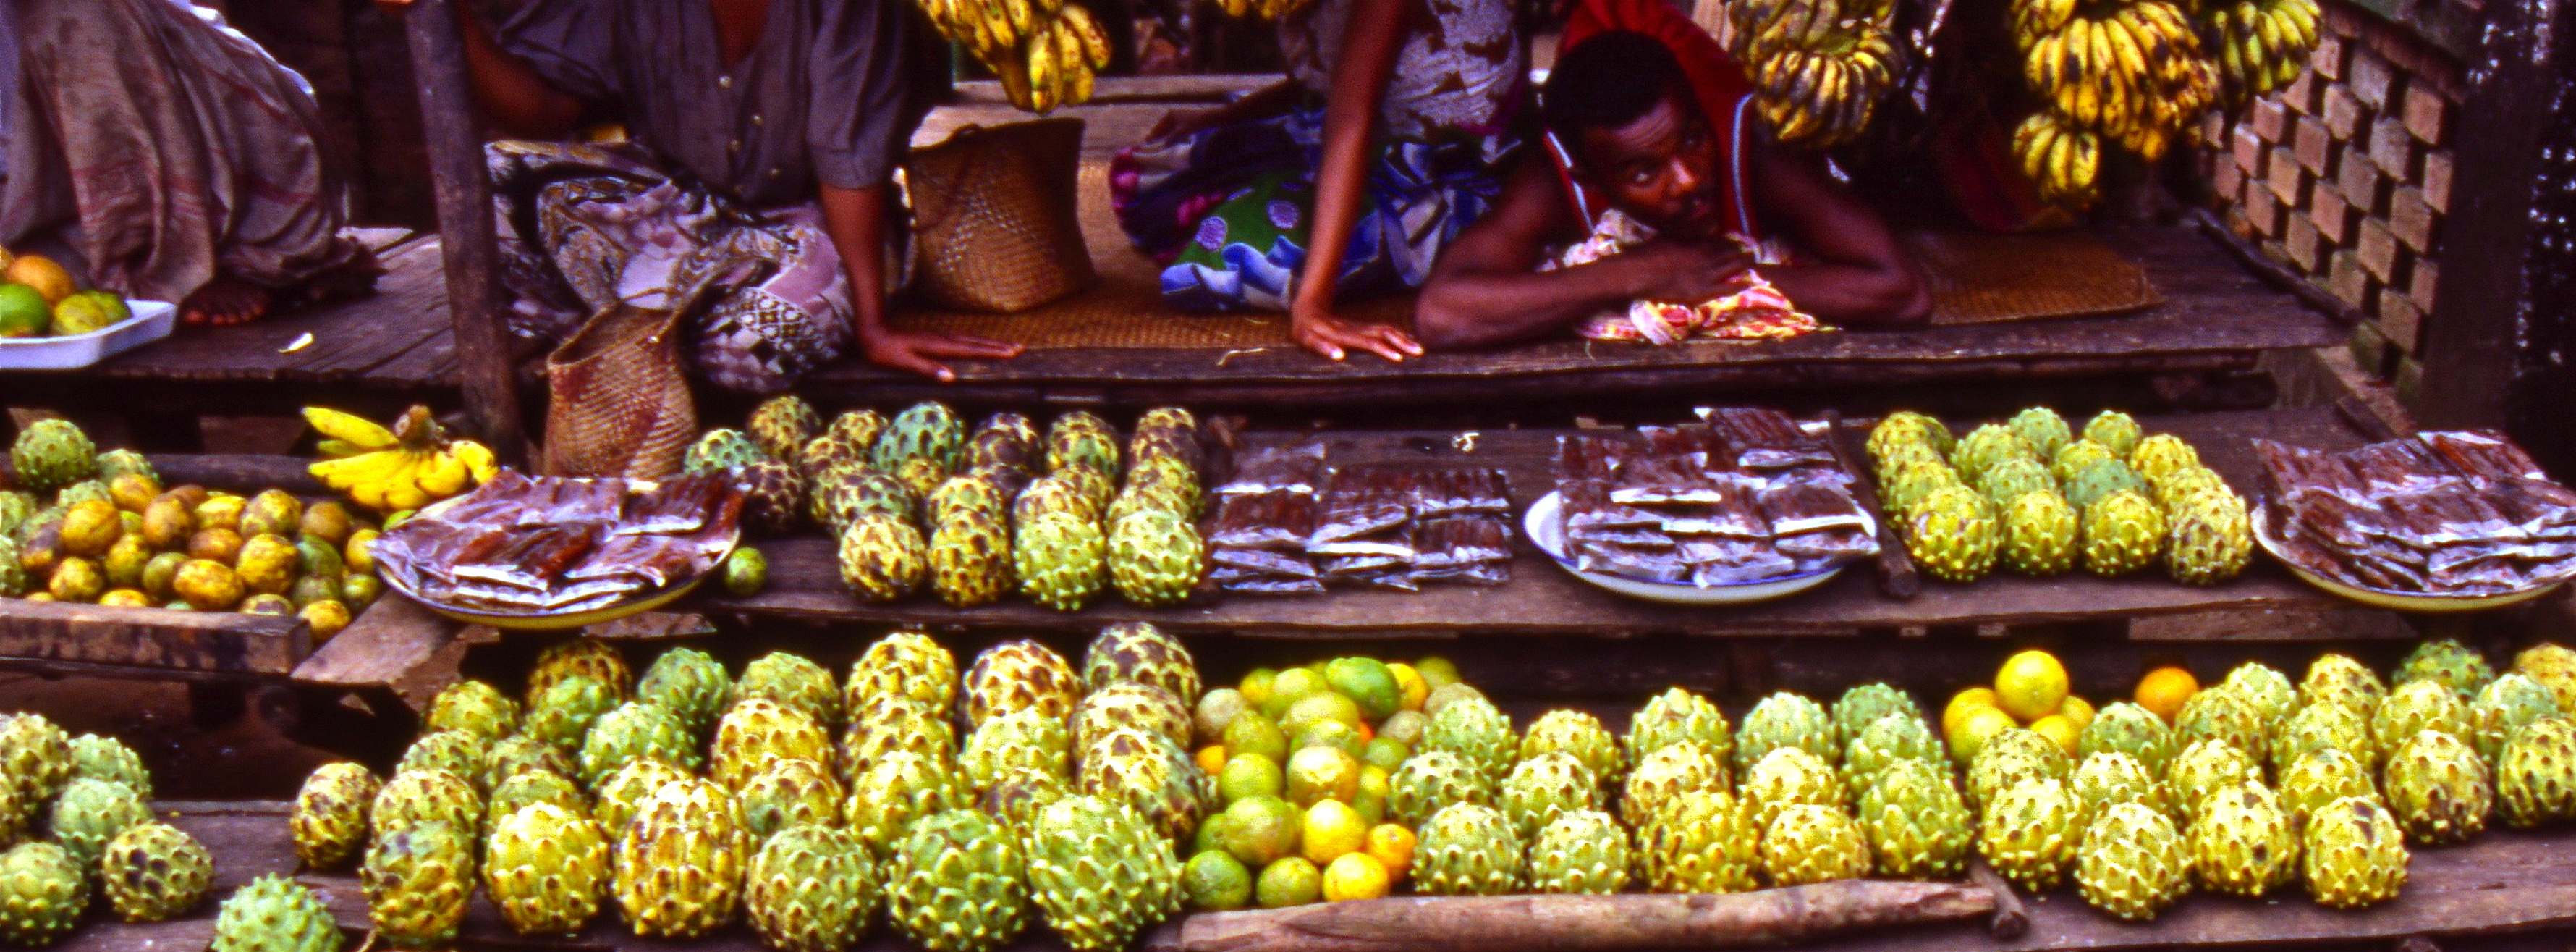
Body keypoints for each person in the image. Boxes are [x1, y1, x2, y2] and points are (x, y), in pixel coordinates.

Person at [380, 0, 1024, 392]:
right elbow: (545, 111)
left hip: (812, 231)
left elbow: (847, 155)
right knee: (497, 173)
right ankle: (656, 330)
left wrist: (874, 324)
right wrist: (454, 21)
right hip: (682, 220)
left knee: (766, 341)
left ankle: (623, 334)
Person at [1413, 20, 1928, 350]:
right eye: (1644, 173)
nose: (1687, 180)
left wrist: (1724, 280)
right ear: (1590, 177)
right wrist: (1637, 273)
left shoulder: (1750, 149)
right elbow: (1444, 313)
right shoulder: (1553, 179)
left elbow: (1901, 293)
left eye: (1691, 140)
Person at [1111, 0, 1526, 362]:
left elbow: (1350, 118)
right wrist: (1220, 119)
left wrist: (1313, 305)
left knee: (1236, 249)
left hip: (1450, 176)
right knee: (1150, 178)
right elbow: (1325, 79)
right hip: (1368, 136)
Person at [0, 0, 376, 327]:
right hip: (48, 185)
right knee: (37, 274)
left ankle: (177, 261)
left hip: (185, 125)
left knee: (75, 17)